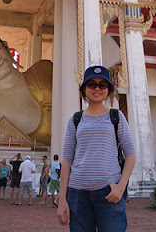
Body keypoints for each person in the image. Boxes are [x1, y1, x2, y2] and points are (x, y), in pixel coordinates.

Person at [57, 65, 136, 231]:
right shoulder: (76, 119)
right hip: (78, 193)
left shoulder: (116, 116)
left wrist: (120, 187)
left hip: (109, 192)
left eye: (102, 85)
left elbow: (130, 155)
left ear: (108, 89)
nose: (97, 88)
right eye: (92, 84)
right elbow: (67, 160)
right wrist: (62, 199)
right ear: (84, 89)